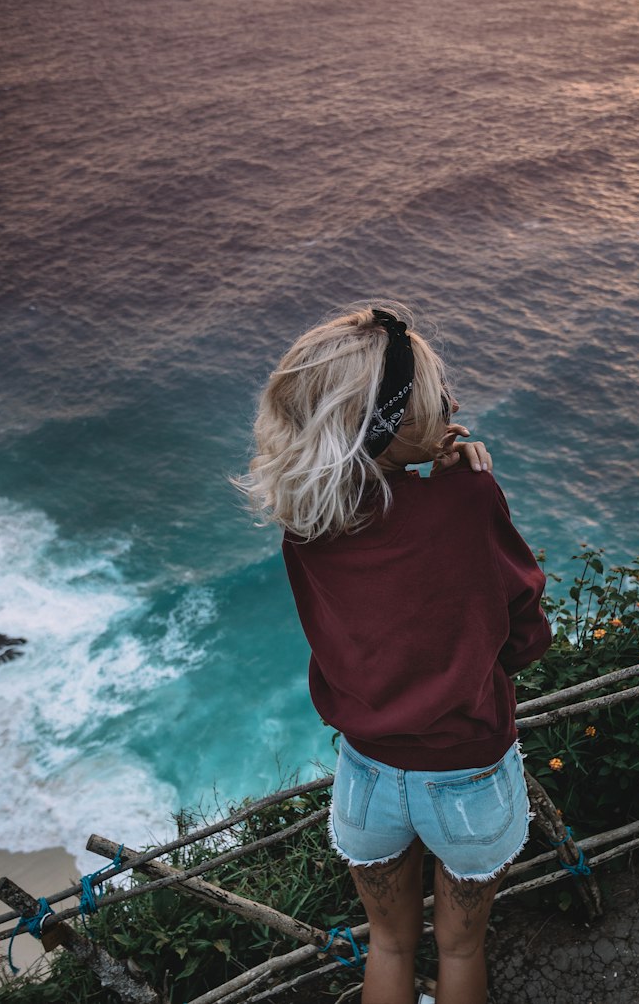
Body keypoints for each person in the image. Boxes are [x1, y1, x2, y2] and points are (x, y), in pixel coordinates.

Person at [239, 303, 551, 1004]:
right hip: (467, 778)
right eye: (433, 399)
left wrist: (416, 465)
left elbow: (379, 526)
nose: (454, 405)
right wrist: (462, 481)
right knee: (461, 948)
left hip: (367, 781)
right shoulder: (467, 498)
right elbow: (526, 630)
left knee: (388, 944)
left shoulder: (308, 524)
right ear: (385, 426)